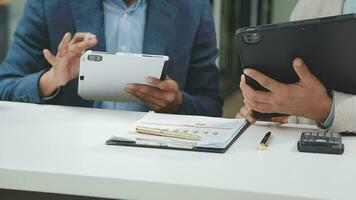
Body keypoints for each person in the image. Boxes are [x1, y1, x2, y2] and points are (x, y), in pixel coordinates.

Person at [0, 0, 223, 117]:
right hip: (66, 158)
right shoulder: (50, 4)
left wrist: (177, 103)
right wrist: (50, 80)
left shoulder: (193, 7)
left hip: (157, 161)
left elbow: (211, 105)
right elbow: (5, 89)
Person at [238, 0, 356, 132]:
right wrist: (274, 110)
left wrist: (325, 109)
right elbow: (300, 98)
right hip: (310, 145)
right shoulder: (309, 6)